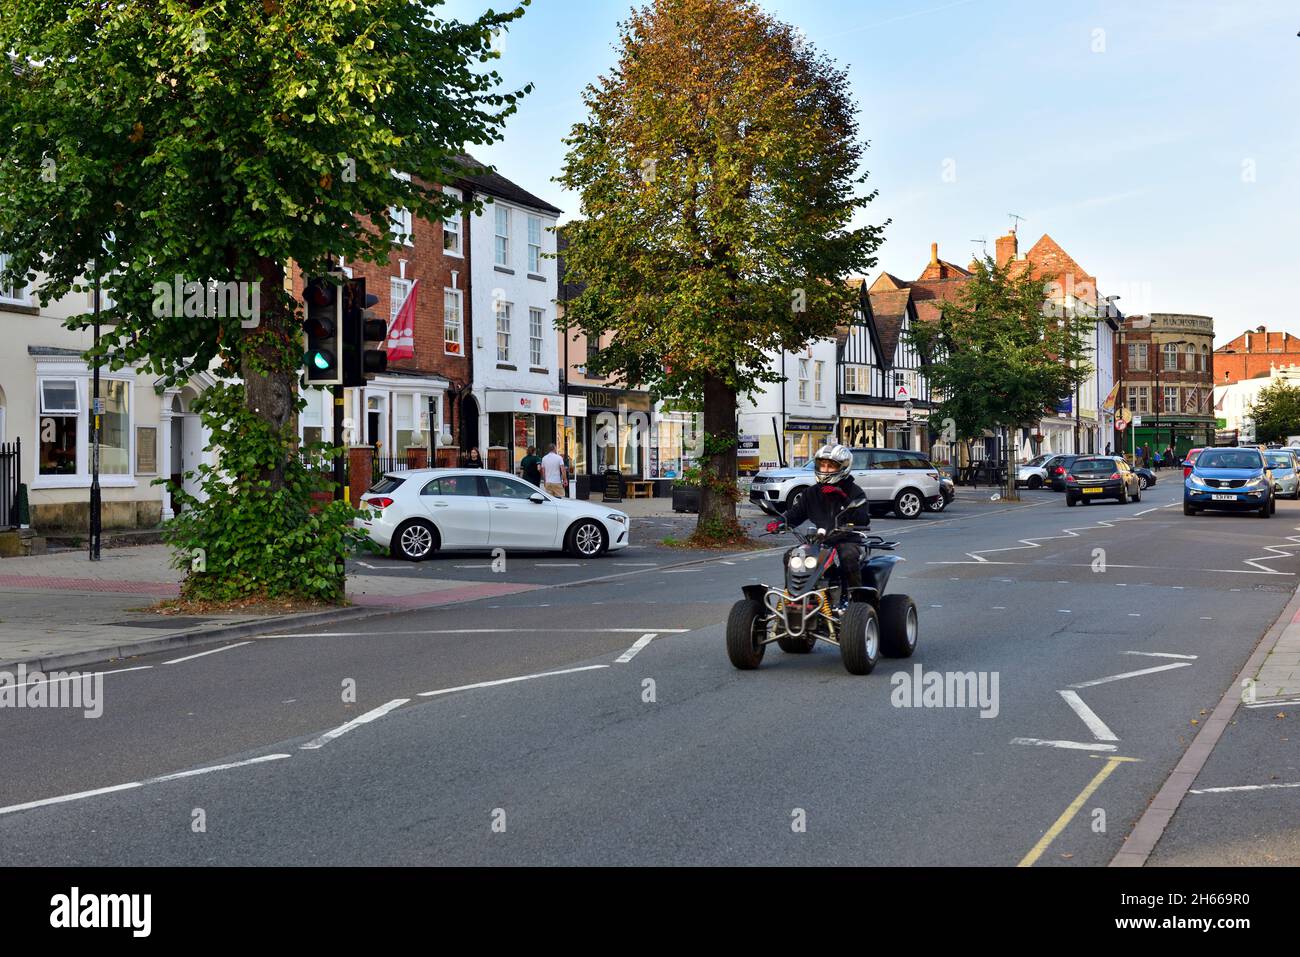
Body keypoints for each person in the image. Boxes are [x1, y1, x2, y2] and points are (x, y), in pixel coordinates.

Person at [766, 443, 869, 592]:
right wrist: (779, 522)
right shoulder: (811, 492)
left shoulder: (854, 492)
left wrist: (844, 498)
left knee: (848, 556)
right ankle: (793, 595)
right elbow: (796, 513)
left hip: (846, 538)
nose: (826, 470)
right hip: (819, 540)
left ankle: (856, 598)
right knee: (791, 556)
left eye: (831, 466)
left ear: (843, 468)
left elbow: (863, 519)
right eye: (823, 466)